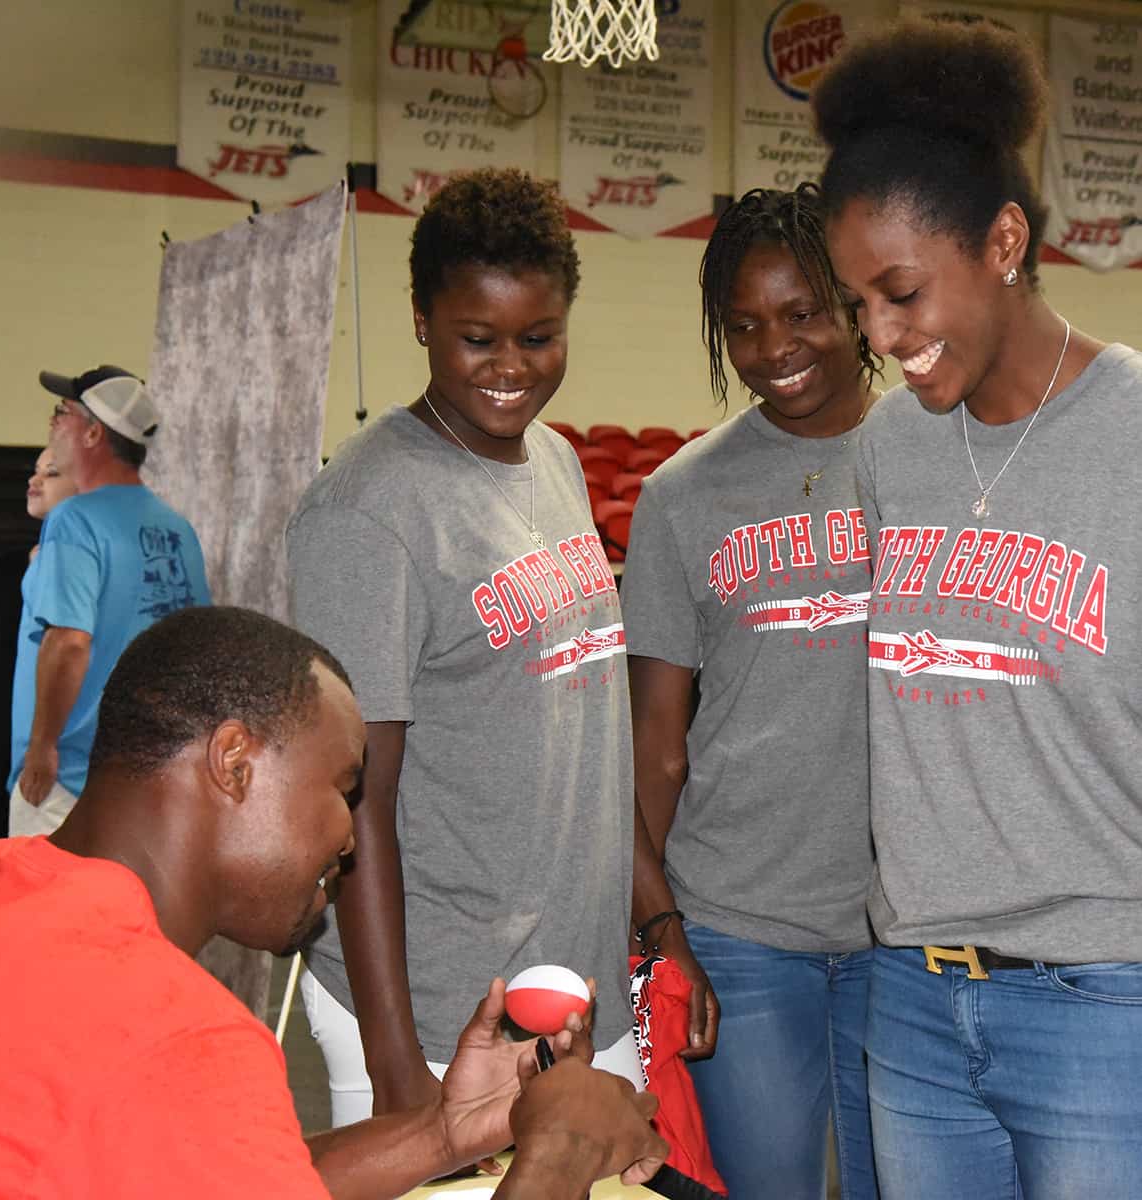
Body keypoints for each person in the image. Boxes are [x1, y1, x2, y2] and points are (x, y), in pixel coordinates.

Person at [0, 605, 669, 1198]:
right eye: (343, 789)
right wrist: (557, 1157)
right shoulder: (176, 1037)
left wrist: (445, 1131)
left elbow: (229, 1174)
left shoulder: (14, 894)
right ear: (234, 764)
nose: (349, 837)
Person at [813, 20, 1142, 1200]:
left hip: (1105, 1000)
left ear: (1004, 240)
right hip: (910, 993)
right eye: (858, 303)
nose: (880, 339)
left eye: (900, 294)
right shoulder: (889, 447)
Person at [286, 167, 640, 1138]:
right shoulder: (369, 513)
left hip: (574, 988)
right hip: (441, 1006)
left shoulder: (556, 460)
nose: (510, 367)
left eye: (538, 337)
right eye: (476, 338)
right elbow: (358, 801)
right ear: (419, 318)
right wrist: (395, 1060)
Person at [621, 184, 881, 1199]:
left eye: (802, 311)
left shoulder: (937, 467)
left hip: (905, 935)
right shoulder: (683, 496)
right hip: (738, 930)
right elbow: (657, 742)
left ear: (854, 303)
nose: (776, 347)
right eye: (744, 325)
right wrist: (656, 933)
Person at [8, 365, 210, 836]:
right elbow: (195, 654)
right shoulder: (178, 530)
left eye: (63, 413)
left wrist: (42, 748)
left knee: (48, 910)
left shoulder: (75, 520)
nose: (53, 423)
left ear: (94, 433)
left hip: (63, 780)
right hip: (143, 780)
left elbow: (70, 641)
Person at [0, 447, 78, 838]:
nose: (35, 480)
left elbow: (69, 646)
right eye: (36, 470)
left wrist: (42, 748)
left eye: (53, 472)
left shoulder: (73, 556)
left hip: (60, 765)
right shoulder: (32, 558)